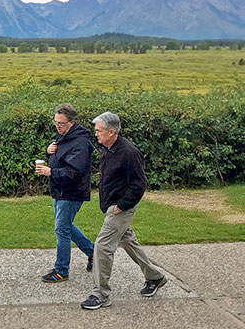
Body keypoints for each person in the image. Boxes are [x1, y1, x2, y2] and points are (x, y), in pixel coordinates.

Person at [81, 112, 167, 310]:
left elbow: (139, 184)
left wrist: (122, 205)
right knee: (128, 240)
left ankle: (101, 294)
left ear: (112, 132)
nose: (96, 135)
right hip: (111, 205)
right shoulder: (107, 147)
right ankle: (155, 277)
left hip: (120, 208)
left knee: (102, 246)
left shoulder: (129, 152)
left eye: (99, 131)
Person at [36, 103, 95, 283]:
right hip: (60, 190)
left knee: (61, 229)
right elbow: (59, 160)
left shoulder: (81, 143)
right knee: (65, 226)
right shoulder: (63, 137)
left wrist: (50, 172)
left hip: (72, 192)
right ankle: (93, 253)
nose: (57, 126)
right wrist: (49, 153)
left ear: (72, 122)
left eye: (61, 123)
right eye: (55, 122)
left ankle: (61, 271)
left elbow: (74, 172)